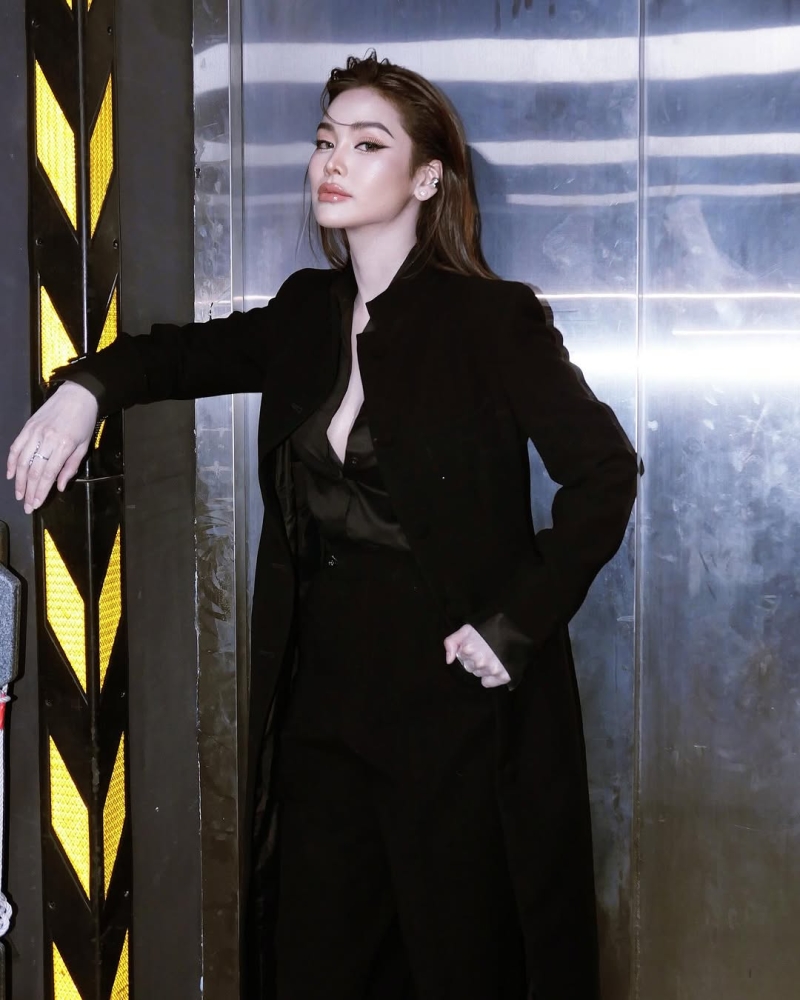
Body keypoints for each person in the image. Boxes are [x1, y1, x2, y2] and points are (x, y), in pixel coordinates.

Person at [7, 53, 639, 1000]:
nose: (333, 161)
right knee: (317, 958)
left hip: (455, 708)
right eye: (324, 140)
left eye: (368, 144)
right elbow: (176, 357)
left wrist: (516, 622)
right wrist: (84, 390)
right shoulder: (308, 310)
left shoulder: (490, 320)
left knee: (461, 963)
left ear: (427, 178)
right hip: (320, 706)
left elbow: (604, 474)